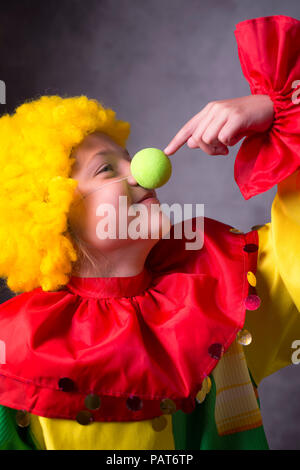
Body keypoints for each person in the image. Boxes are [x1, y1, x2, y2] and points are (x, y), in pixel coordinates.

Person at [0, 14, 299, 450]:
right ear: (53, 215)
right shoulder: (18, 355)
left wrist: (281, 111)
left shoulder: (228, 285)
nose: (146, 171)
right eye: (107, 168)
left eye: (128, 156)